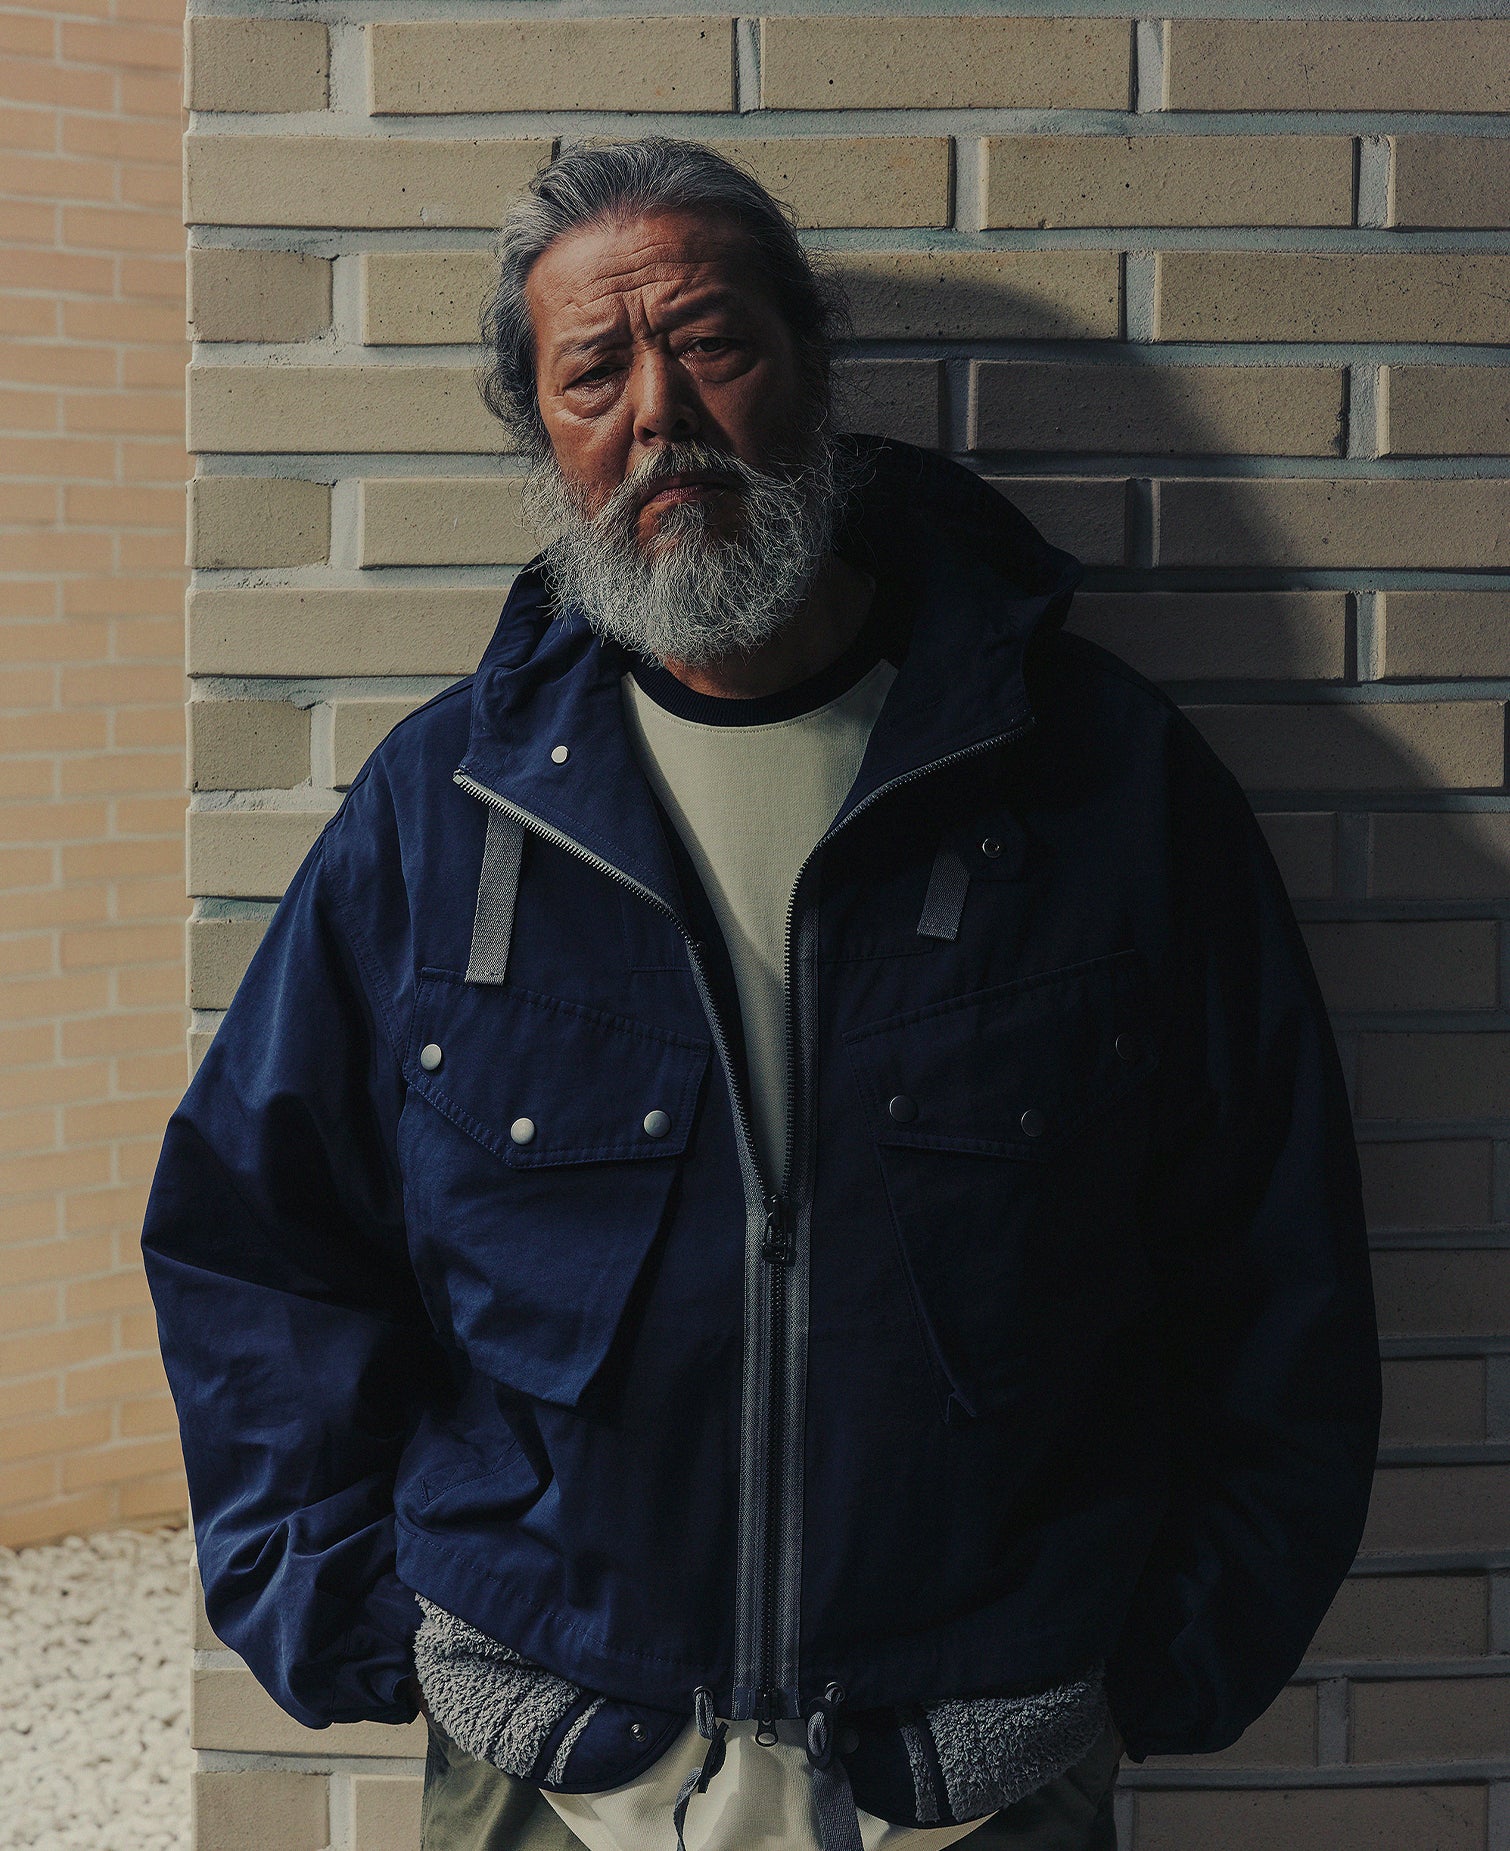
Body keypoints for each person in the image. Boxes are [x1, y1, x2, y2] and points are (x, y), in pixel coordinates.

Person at [141, 137, 1382, 1851]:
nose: (659, 412)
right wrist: (354, 1614)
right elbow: (253, 1238)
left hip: (978, 1765)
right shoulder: (443, 813)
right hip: (549, 1764)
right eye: (593, 372)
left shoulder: (1096, 781)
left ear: (810, 369)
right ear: (546, 439)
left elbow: (1273, 1251)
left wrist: (1169, 1658)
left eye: (710, 343)